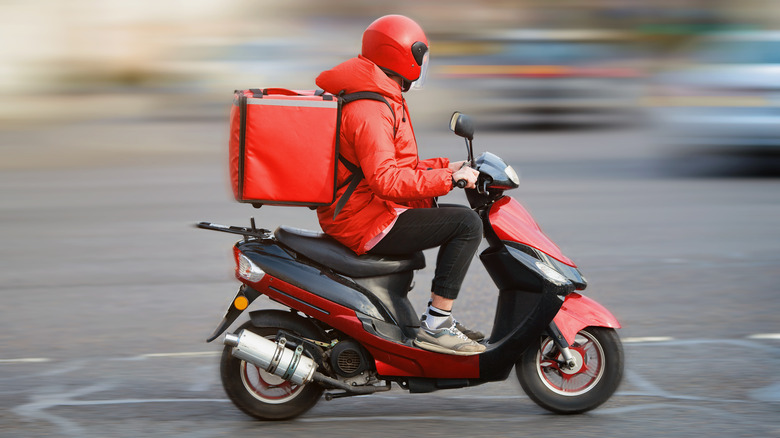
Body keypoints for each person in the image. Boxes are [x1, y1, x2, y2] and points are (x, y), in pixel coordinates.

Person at [315, 15, 485, 355]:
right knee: (466, 224)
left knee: (451, 218)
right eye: (420, 56)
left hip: (368, 209)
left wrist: (445, 167)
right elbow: (386, 180)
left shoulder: (381, 94)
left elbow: (395, 166)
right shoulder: (370, 108)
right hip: (363, 219)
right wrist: (448, 179)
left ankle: (431, 321)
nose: (422, 66)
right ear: (401, 55)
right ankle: (438, 325)